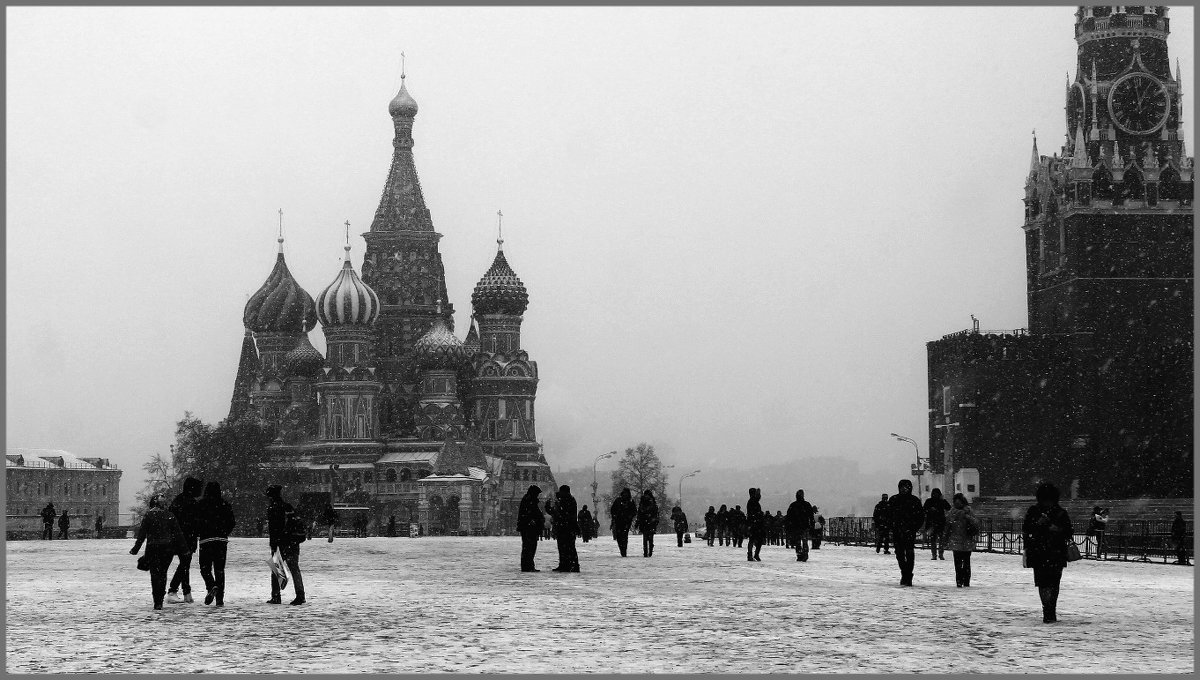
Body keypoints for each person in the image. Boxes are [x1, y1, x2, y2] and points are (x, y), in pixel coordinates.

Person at [1022, 482, 1072, 623]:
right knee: (1049, 583)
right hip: (1051, 552)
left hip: (1044, 552)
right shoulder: (1058, 512)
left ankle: (1048, 609)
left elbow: (1068, 532)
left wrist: (1053, 528)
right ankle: (1049, 609)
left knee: (1047, 583)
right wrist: (1040, 525)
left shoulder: (1036, 511)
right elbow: (1027, 529)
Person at [129, 494, 190, 610]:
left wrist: (136, 548)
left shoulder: (149, 516)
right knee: (163, 573)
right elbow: (178, 534)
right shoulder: (170, 516)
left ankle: (157, 599)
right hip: (167, 549)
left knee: (155, 575)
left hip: (153, 548)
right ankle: (160, 596)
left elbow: (142, 534)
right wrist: (185, 549)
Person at [196, 481, 236, 607]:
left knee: (205, 568)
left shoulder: (201, 504)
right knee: (220, 570)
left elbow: (195, 521)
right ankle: (220, 599)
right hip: (221, 540)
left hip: (206, 540)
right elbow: (232, 521)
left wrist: (200, 531)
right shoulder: (225, 504)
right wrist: (224, 532)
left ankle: (211, 585)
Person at [266, 484, 305, 605]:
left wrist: (273, 544)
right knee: (294, 569)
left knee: (277, 570)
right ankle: (300, 595)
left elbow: (273, 529)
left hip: (280, 542)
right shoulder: (287, 506)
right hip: (292, 542)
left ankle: (276, 595)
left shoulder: (273, 508)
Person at [167, 476, 203, 604]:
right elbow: (195, 523)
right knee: (184, 564)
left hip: (179, 538)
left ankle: (186, 592)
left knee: (185, 564)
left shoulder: (178, 501)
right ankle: (173, 590)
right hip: (187, 538)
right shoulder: (191, 503)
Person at [887, 479, 924, 586]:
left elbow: (920, 516)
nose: (904, 489)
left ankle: (907, 574)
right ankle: (905, 572)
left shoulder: (914, 501)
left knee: (909, 553)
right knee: (899, 553)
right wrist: (892, 526)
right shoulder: (894, 500)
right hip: (897, 531)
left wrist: (914, 527)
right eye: (902, 487)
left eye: (906, 487)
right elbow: (888, 515)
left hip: (909, 531)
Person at [942, 493, 980, 587]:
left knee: (961, 562)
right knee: (963, 562)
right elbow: (976, 523)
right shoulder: (965, 511)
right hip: (962, 540)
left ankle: (961, 580)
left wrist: (945, 539)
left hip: (962, 540)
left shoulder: (953, 513)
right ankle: (963, 580)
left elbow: (947, 527)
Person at [551, 485, 580, 572]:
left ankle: (570, 565)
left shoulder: (567, 500)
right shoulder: (568, 500)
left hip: (566, 527)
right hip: (565, 527)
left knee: (568, 547)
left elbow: (563, 514)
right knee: (564, 547)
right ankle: (565, 564)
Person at [516, 485, 544, 572]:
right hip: (529, 528)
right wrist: (531, 520)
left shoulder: (529, 500)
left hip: (529, 527)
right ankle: (528, 566)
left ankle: (528, 565)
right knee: (529, 547)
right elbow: (528, 513)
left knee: (529, 547)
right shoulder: (529, 500)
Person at [785, 490, 814, 562]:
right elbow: (811, 516)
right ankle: (805, 554)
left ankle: (799, 555)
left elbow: (788, 517)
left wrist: (788, 525)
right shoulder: (807, 505)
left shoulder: (793, 505)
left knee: (798, 542)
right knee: (804, 541)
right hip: (804, 525)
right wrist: (812, 525)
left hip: (796, 526)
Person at [923, 488, 952, 560]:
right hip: (938, 522)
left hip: (935, 522)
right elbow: (948, 508)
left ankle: (936, 554)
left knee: (936, 539)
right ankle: (937, 554)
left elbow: (948, 507)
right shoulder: (938, 501)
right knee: (937, 539)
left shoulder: (930, 501)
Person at [609, 488, 637, 557]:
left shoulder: (629, 501)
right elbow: (613, 510)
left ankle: (623, 550)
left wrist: (630, 516)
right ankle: (623, 549)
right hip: (620, 520)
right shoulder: (619, 500)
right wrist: (615, 516)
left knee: (623, 536)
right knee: (621, 536)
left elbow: (634, 511)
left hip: (625, 521)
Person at [636, 490, 659, 558]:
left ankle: (649, 551)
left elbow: (655, 513)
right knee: (646, 538)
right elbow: (639, 513)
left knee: (648, 538)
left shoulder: (650, 503)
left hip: (649, 522)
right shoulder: (646, 503)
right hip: (646, 522)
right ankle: (646, 551)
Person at [745, 488, 765, 561]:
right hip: (756, 523)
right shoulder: (754, 501)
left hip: (753, 522)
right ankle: (755, 554)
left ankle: (751, 554)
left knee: (752, 539)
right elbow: (754, 512)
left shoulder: (751, 501)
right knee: (757, 540)